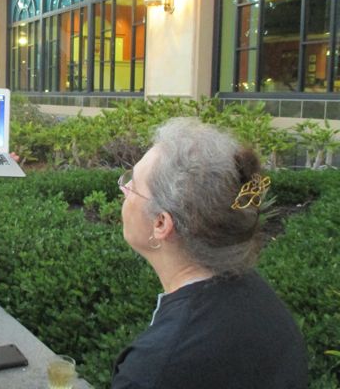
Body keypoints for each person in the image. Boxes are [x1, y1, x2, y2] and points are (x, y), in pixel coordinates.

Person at [112, 118, 308, 389]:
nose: (124, 191)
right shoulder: (258, 296)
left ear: (161, 223)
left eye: (132, 185)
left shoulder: (154, 369)